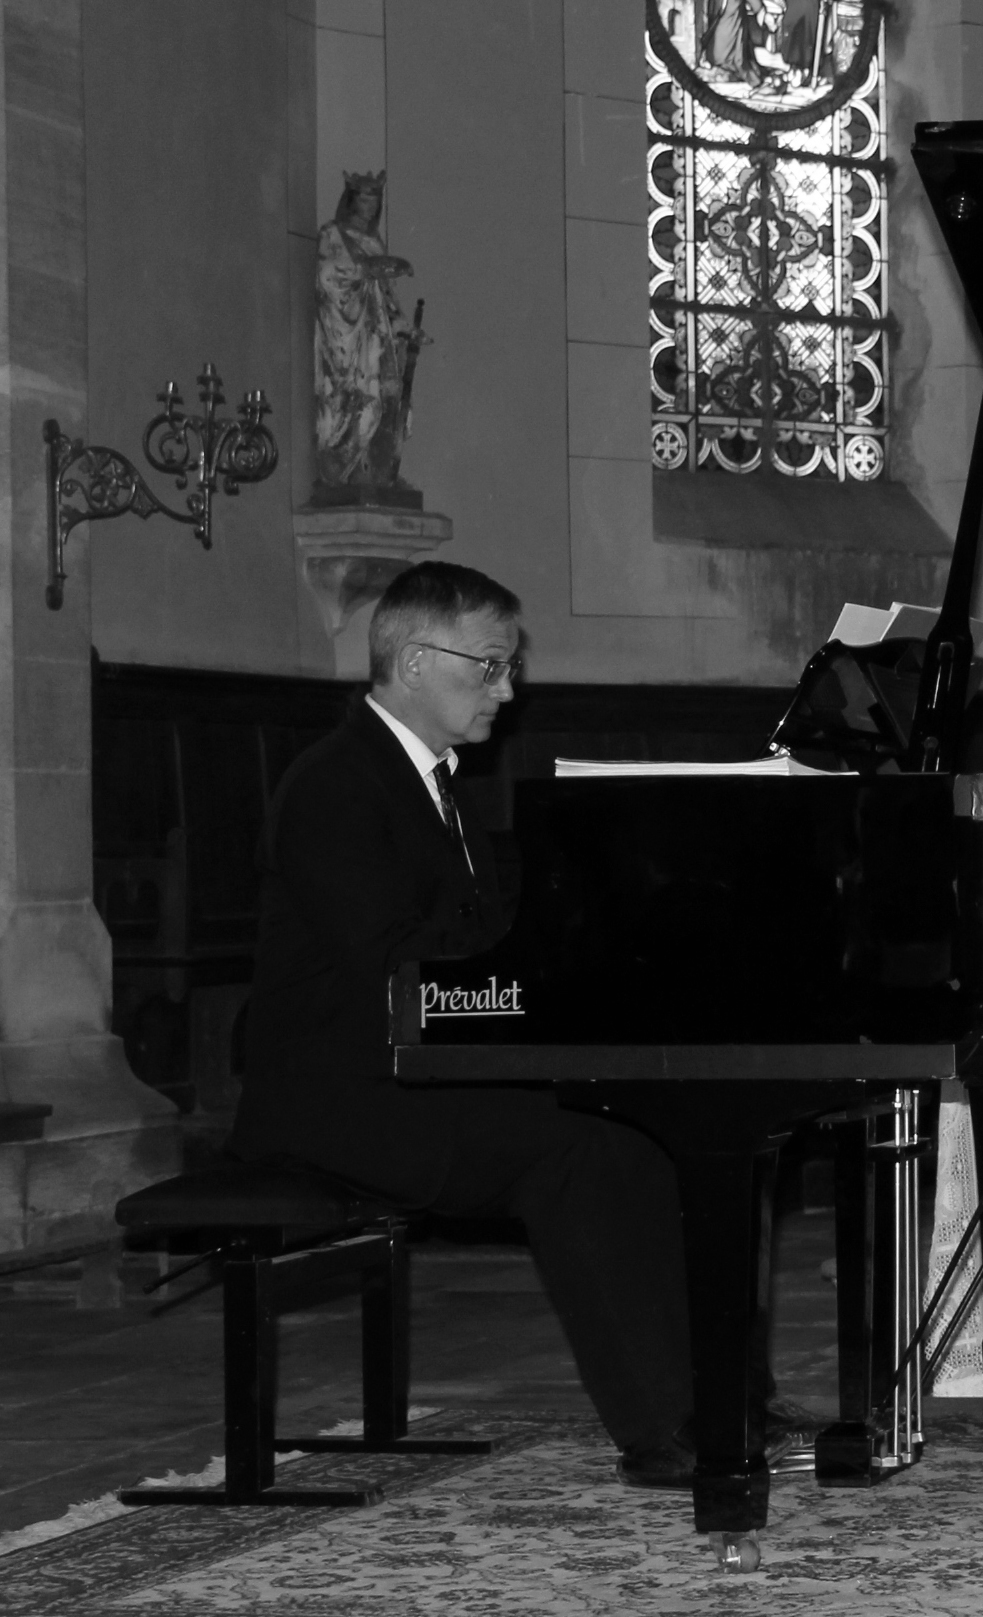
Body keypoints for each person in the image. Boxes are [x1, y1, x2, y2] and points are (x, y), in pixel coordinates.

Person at [228, 563, 702, 1489]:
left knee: (654, 1128)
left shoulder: (435, 780)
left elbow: (476, 939)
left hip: (412, 1074)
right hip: (341, 1095)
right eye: (490, 666)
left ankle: (719, 1398)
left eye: (508, 665)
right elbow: (397, 962)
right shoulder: (335, 785)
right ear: (412, 660)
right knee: (577, 1152)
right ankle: (662, 1431)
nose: (508, 688)